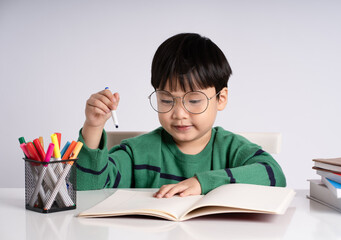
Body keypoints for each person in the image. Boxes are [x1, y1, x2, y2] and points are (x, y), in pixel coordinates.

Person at [76, 33, 286, 198]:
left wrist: (203, 182)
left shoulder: (231, 149)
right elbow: (88, 190)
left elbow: (274, 175)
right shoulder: (137, 153)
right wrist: (93, 127)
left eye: (194, 101)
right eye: (166, 100)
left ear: (220, 98)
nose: (179, 114)